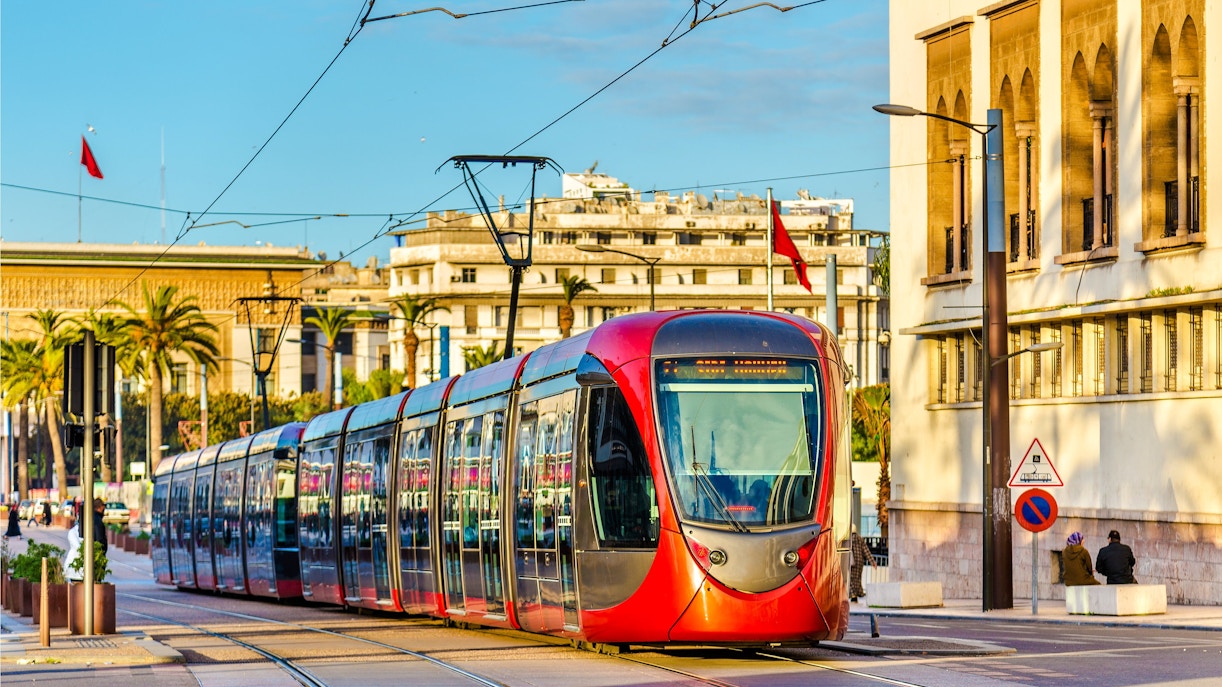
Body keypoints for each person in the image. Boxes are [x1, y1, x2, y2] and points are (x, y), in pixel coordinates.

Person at [850, 530, 877, 601]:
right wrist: (872, 562)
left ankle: (853, 595)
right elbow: (866, 551)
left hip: (851, 562)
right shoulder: (860, 539)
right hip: (860, 562)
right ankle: (858, 593)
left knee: (851, 578)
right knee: (858, 578)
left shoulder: (848, 539)